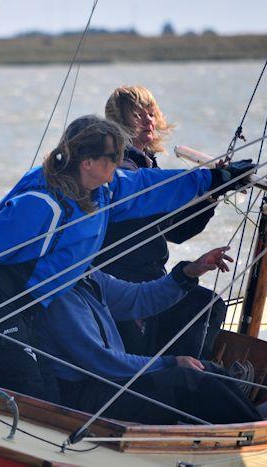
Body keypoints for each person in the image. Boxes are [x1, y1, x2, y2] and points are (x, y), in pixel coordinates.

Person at [0, 115, 253, 401]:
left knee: (47, 392)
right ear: (87, 162)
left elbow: (149, 187)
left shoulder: (104, 190)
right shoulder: (39, 205)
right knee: (32, 395)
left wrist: (214, 180)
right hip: (4, 308)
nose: (118, 166)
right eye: (112, 159)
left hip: (47, 304)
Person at [35, 248, 262, 424]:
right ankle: (260, 432)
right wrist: (170, 362)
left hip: (113, 382)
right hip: (88, 397)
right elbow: (103, 362)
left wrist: (189, 272)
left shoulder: (88, 276)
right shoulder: (59, 298)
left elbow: (139, 298)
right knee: (188, 378)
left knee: (208, 369)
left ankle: (258, 421)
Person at [94, 85, 226, 360]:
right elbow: (144, 197)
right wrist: (204, 183)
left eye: (151, 113)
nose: (148, 120)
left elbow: (177, 230)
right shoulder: (120, 168)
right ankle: (178, 380)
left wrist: (212, 194)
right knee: (202, 306)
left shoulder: (148, 167)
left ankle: (186, 375)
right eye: (137, 114)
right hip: (122, 281)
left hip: (152, 277)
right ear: (119, 122)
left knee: (206, 305)